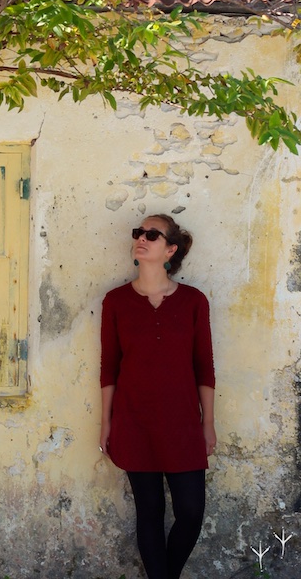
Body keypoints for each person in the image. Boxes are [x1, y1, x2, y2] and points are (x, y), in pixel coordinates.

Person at [99, 214, 216, 579]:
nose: (141, 238)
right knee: (148, 512)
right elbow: (109, 367)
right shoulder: (115, 301)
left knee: (191, 511)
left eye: (152, 234)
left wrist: (207, 423)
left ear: (170, 250)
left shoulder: (194, 302)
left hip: (182, 423)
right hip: (134, 421)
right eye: (138, 233)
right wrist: (106, 422)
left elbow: (204, 367)